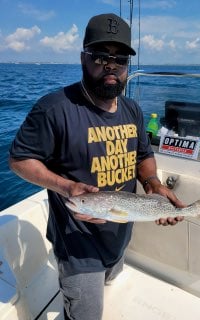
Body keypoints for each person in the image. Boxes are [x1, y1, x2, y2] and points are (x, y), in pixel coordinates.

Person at [9, 13, 184, 320]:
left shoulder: (133, 109)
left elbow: (143, 156)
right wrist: (66, 186)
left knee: (112, 277)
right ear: (83, 57)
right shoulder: (54, 109)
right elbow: (19, 159)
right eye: (101, 56)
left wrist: (154, 185)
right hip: (77, 242)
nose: (111, 65)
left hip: (120, 231)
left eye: (120, 59)